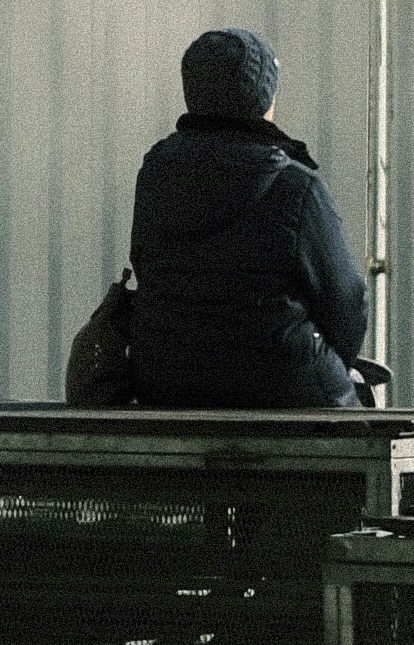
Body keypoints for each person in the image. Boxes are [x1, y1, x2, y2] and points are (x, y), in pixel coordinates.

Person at [123, 25, 375, 410]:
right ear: (263, 98)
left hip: (167, 380)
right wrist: (330, 358)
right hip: (285, 383)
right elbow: (345, 297)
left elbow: (145, 264)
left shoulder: (155, 174)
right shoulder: (295, 185)